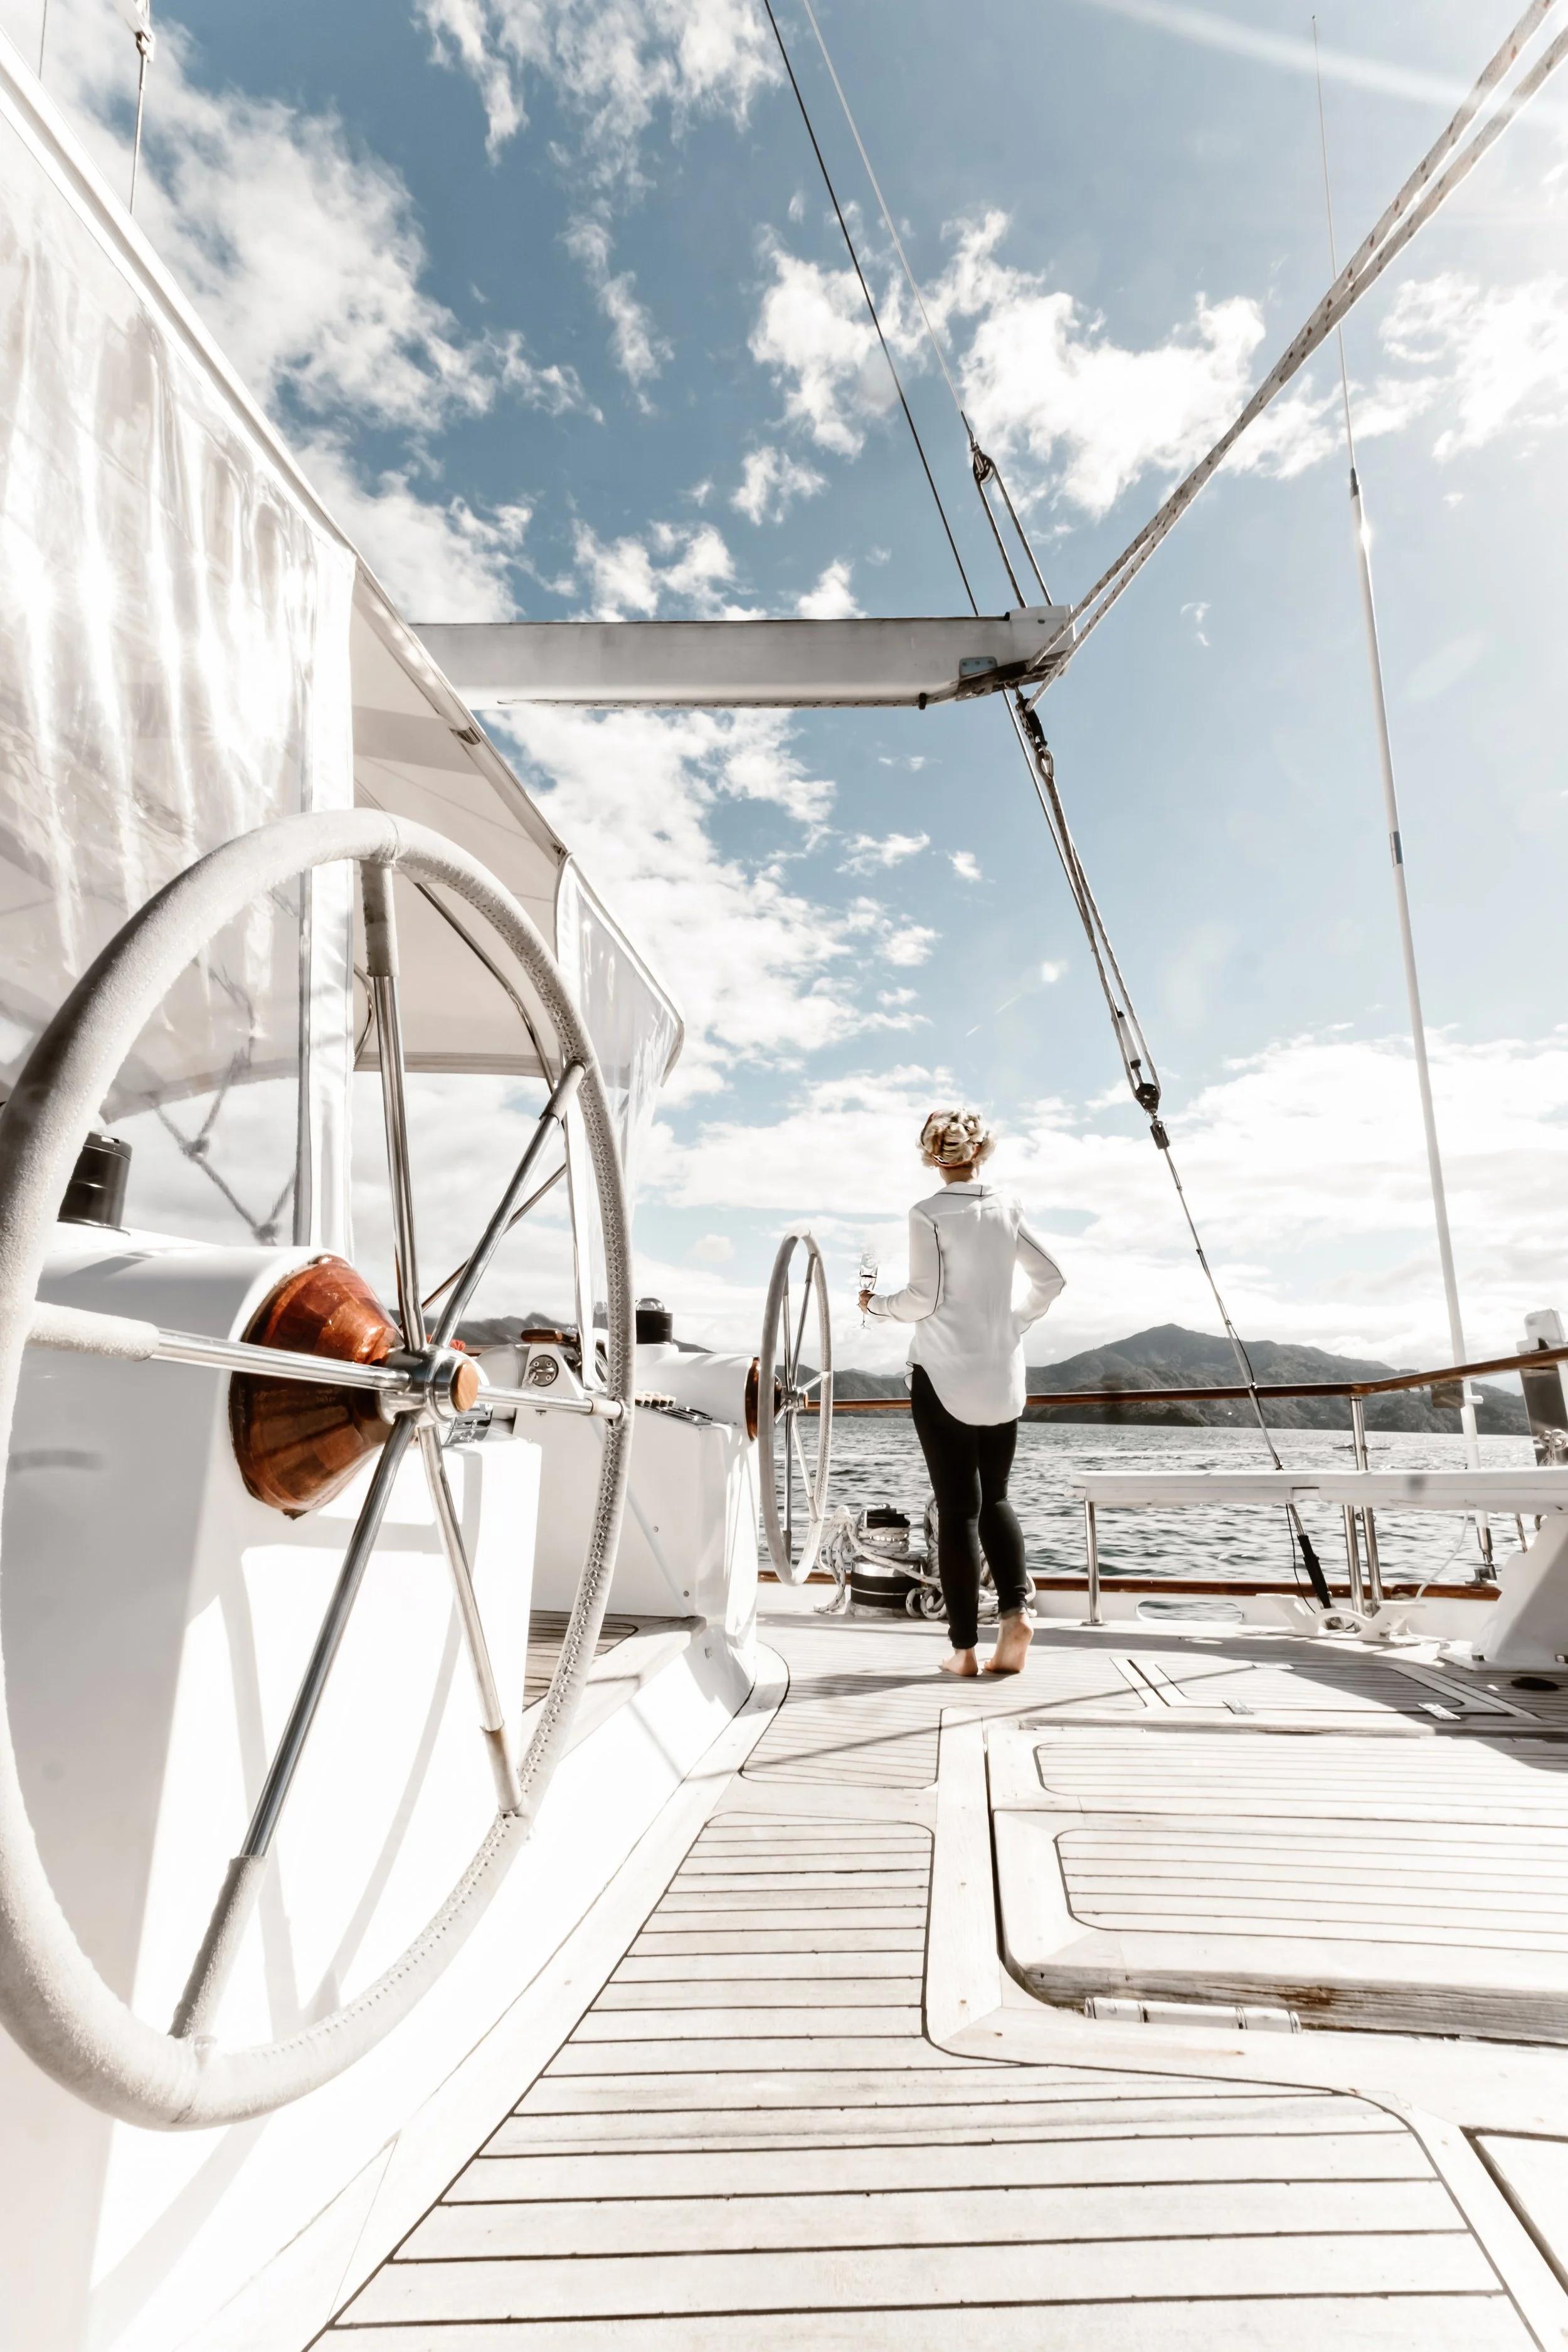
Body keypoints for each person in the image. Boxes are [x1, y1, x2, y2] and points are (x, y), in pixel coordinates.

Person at [859, 1108, 1064, 1677]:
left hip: (943, 1374)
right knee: (995, 1498)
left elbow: (922, 1300)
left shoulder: (927, 1213)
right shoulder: (1007, 1206)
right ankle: (1016, 1612)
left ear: (932, 1158)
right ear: (983, 1150)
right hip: (1002, 1374)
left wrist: (875, 1306)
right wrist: (1015, 1323)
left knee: (957, 1511)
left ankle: (964, 1652)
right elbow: (1052, 1278)